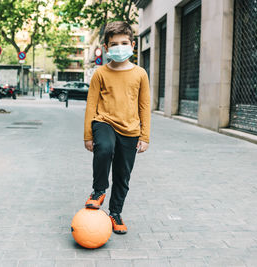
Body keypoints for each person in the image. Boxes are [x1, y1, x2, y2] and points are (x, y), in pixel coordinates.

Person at [84, 21, 151, 234]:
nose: (119, 47)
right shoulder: (100, 73)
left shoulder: (140, 73)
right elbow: (91, 105)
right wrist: (88, 135)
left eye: (124, 42)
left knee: (123, 175)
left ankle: (115, 213)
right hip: (104, 121)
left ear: (133, 45)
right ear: (106, 48)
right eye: (114, 44)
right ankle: (98, 191)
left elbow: (144, 106)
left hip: (131, 130)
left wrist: (145, 136)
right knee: (104, 148)